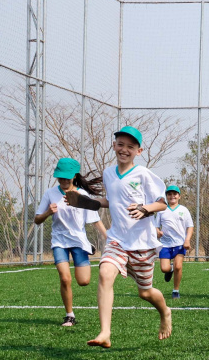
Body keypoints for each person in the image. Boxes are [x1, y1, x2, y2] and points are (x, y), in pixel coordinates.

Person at [88, 126, 170, 348]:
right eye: (121, 144)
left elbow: (162, 203)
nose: (124, 149)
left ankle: (165, 312)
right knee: (105, 273)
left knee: (145, 292)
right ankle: (105, 332)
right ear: (114, 146)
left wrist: (145, 208)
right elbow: (113, 201)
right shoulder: (108, 173)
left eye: (130, 147)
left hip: (142, 244)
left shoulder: (143, 174)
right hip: (117, 240)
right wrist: (87, 201)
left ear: (139, 151)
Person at [34, 157, 107, 327]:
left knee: (84, 281)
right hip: (59, 241)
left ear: (74, 176)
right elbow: (37, 220)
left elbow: (95, 220)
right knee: (65, 278)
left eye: (67, 177)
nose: (64, 181)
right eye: (61, 177)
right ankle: (69, 315)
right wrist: (47, 213)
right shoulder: (50, 193)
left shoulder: (82, 195)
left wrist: (107, 238)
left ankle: (88, 247)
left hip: (79, 242)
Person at [155, 185, 193, 300]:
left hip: (180, 244)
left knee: (178, 266)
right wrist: (158, 232)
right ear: (166, 196)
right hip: (165, 245)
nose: (172, 196)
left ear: (179, 196)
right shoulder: (162, 210)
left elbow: (190, 226)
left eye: (175, 194)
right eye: (169, 194)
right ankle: (169, 269)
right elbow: (156, 226)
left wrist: (187, 240)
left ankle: (175, 290)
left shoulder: (183, 210)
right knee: (164, 269)